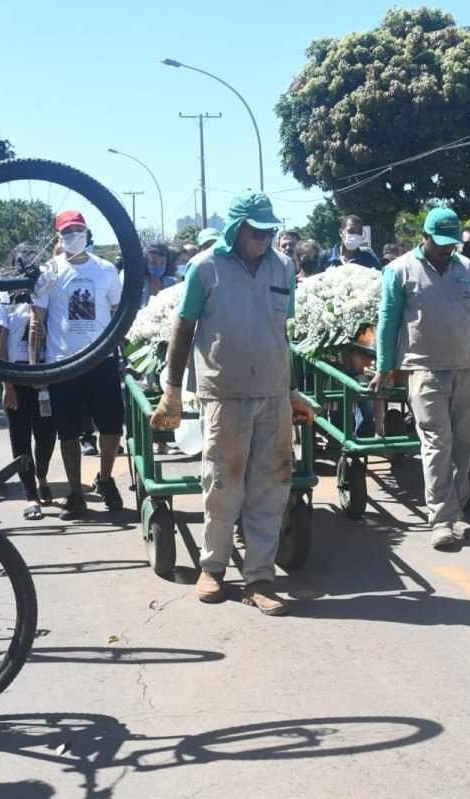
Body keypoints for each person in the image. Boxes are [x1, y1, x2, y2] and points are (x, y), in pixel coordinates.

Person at [149, 191, 313, 614]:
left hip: (273, 397)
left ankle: (260, 578)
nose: (265, 237)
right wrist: (171, 390)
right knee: (222, 485)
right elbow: (183, 328)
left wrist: (291, 389)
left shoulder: (283, 267)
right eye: (257, 230)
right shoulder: (206, 268)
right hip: (224, 396)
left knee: (271, 486)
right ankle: (214, 568)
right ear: (237, 228)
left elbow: (282, 333)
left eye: (270, 230)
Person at [370, 207, 470, 550]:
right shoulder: (399, 270)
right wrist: (383, 367)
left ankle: (457, 514)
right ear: (424, 236)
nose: (446, 250)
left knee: (466, 444)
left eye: (451, 244)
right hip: (423, 370)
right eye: (440, 243)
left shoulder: (466, 268)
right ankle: (440, 519)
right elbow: (387, 322)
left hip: (465, 368)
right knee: (438, 443)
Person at [30, 209, 125, 520]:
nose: (74, 235)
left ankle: (106, 478)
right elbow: (37, 321)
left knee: (111, 426)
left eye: (78, 229)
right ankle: (74, 492)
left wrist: (121, 353)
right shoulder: (49, 271)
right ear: (59, 236)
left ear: (87, 232)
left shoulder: (106, 269)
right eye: (68, 231)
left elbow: (118, 313)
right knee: (68, 433)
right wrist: (36, 368)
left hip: (102, 360)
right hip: (64, 363)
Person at [0, 289, 56, 520]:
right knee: (20, 437)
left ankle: (42, 476)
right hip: (15, 374)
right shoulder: (5, 299)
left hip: (45, 373)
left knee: (47, 434)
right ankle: (30, 496)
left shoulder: (47, 295)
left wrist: (45, 332)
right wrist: (7, 385)